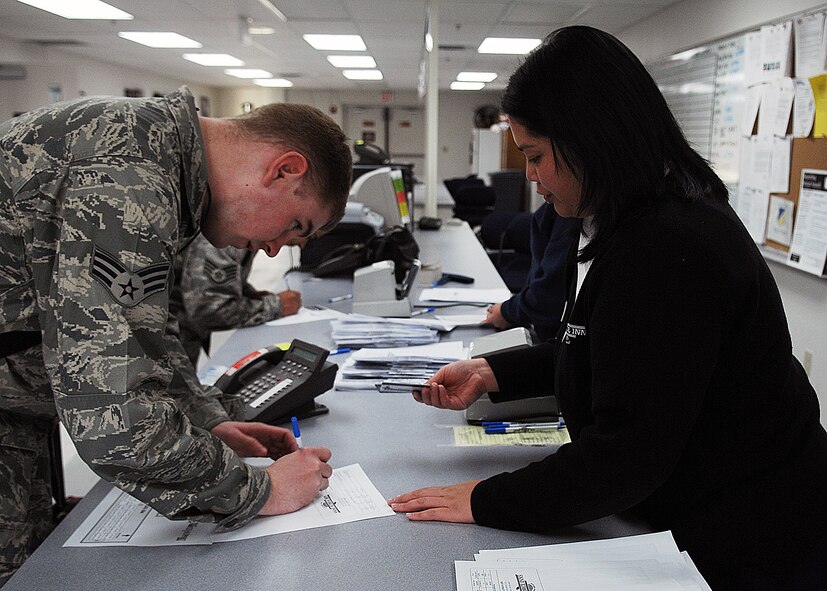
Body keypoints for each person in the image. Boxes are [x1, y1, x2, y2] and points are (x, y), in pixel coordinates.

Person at [387, 26, 827, 589]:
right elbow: (610, 347)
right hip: (691, 504)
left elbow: (628, 451)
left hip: (752, 530)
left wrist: (487, 499)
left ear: (590, 139)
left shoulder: (668, 246)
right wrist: (498, 371)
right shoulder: (609, 218)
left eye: (537, 156)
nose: (531, 176)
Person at [0, 86, 352, 585]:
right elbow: (113, 415)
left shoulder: (160, 156)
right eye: (294, 225)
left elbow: (139, 332)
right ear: (284, 169)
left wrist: (205, 418)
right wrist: (257, 490)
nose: (274, 251)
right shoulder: (130, 177)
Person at [170, 233, 302, 367]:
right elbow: (208, 310)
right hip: (168, 344)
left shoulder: (246, 235)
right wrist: (276, 306)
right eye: (302, 228)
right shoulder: (230, 235)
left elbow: (222, 282)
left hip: (178, 338)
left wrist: (252, 295)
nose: (303, 244)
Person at [484, 202, 576, 342]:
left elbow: (548, 297)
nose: (532, 178)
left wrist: (506, 312)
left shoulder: (571, 216)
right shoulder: (553, 209)